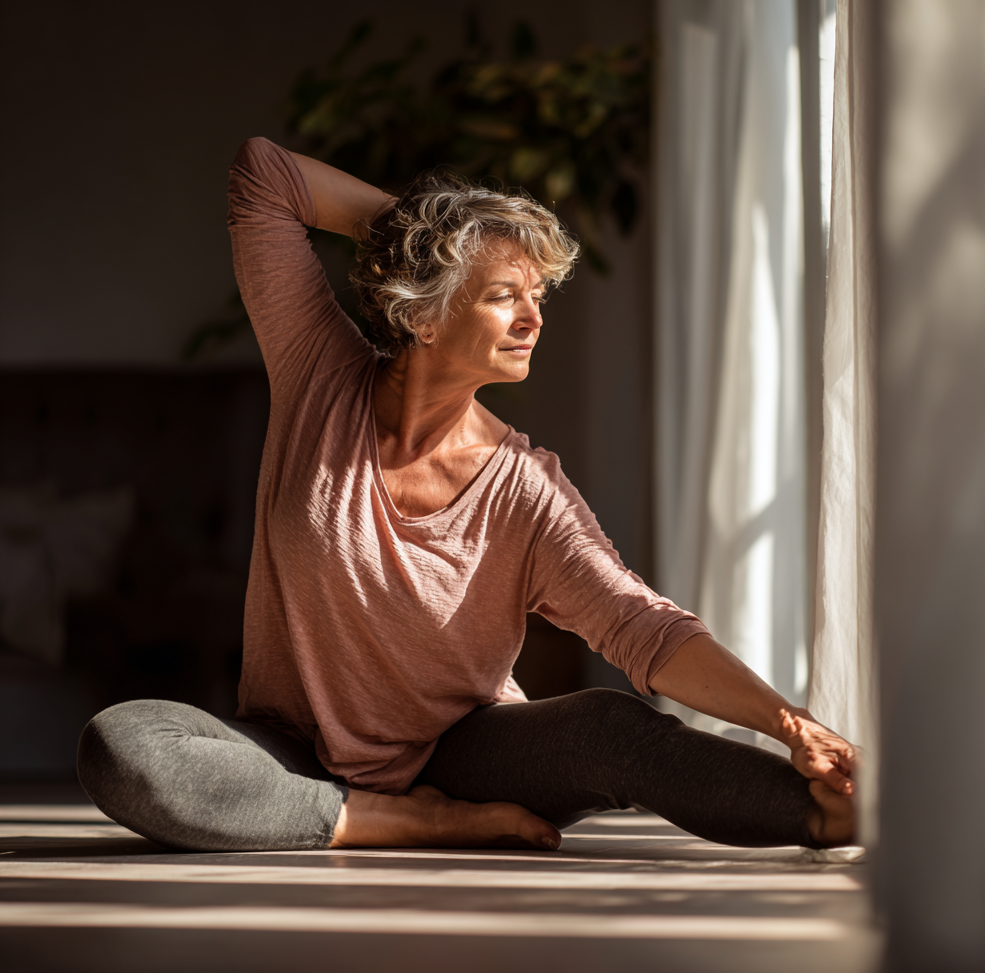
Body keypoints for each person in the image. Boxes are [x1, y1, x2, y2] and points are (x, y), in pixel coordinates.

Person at [77, 138, 857, 854]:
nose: (532, 319)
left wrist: (788, 723)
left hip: (473, 756)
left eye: (538, 295)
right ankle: (396, 822)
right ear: (421, 312)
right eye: (501, 295)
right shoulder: (320, 377)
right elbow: (264, 175)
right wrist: (436, 238)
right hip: (297, 751)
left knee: (611, 726)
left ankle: (826, 815)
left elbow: (640, 626)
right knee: (127, 744)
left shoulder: (525, 489)